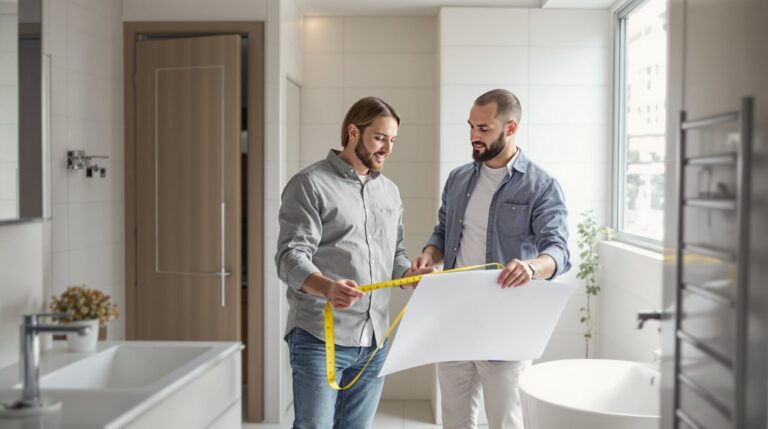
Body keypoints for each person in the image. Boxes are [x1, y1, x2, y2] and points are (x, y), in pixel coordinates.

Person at [411, 89, 571, 429]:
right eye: (471, 126)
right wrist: (429, 254)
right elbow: (442, 232)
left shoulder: (541, 186)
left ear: (510, 128)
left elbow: (558, 251)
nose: (474, 135)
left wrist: (531, 267)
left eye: (483, 128)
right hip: (454, 321)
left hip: (506, 327)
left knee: (505, 422)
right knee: (454, 421)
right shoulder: (458, 179)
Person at [275, 96, 431, 429]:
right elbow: (290, 257)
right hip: (319, 338)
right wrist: (327, 288)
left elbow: (395, 253)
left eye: (393, 140)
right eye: (380, 138)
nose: (387, 148)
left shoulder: (390, 192)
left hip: (374, 341)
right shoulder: (310, 184)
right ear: (353, 132)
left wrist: (409, 274)